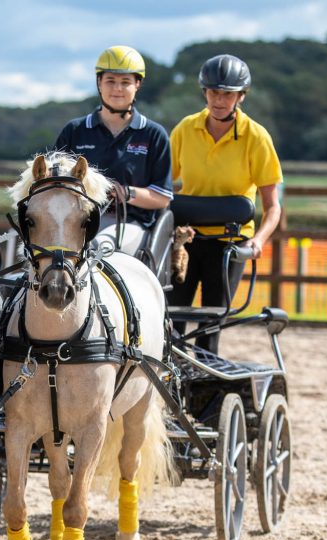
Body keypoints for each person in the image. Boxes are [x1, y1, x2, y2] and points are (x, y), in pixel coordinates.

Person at [167, 54, 283, 353]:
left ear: (240, 96)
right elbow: (164, 182)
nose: (219, 100)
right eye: (214, 92)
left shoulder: (256, 137)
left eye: (227, 94)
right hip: (187, 238)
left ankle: (206, 378)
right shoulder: (185, 130)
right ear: (204, 92)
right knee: (172, 314)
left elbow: (272, 206)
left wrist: (259, 240)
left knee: (212, 318)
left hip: (230, 240)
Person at [54, 46, 173, 258]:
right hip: (77, 219)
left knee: (98, 247)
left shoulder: (154, 135)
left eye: (125, 82)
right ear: (99, 83)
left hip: (130, 223)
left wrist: (125, 193)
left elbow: (162, 198)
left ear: (137, 84)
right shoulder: (74, 131)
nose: (117, 88)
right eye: (110, 81)